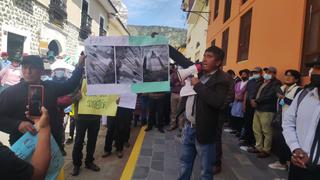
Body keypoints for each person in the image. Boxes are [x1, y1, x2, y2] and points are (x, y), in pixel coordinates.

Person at [0, 55, 85, 153]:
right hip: (23, 145)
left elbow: (70, 85)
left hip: (51, 142)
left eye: (32, 68)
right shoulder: (10, 93)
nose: (28, 71)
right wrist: (17, 124)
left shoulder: (50, 87)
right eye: (25, 67)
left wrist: (79, 66)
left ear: (41, 70)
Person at [178, 46, 230, 180]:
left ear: (218, 62)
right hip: (189, 127)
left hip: (205, 130)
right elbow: (181, 59)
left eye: (209, 56)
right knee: (184, 163)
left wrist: (198, 85)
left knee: (205, 169)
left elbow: (216, 101)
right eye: (204, 56)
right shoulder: (199, 73)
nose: (204, 60)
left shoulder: (223, 79)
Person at [282, 59, 320, 179]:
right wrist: (296, 149)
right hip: (297, 165)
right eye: (315, 68)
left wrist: (315, 160)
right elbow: (288, 122)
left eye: (318, 68)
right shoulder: (303, 95)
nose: (314, 72)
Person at [0, 107, 51, 180]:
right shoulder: (4, 157)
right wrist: (17, 124)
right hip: (21, 147)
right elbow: (37, 175)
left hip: (49, 146)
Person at [268, 70, 301, 171]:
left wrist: (283, 98)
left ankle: (285, 163)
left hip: (290, 121)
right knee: (279, 141)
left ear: (296, 79)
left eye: (290, 76)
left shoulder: (298, 90)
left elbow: (298, 104)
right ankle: (282, 161)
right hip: (279, 118)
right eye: (286, 75)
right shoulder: (282, 88)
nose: (287, 77)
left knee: (286, 142)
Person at [249, 66, 282, 158]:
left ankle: (266, 150)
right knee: (256, 129)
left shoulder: (276, 83)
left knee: (266, 131)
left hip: (267, 109)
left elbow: (270, 96)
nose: (267, 74)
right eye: (266, 72)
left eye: (269, 72)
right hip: (258, 108)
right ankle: (258, 147)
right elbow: (255, 91)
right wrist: (252, 99)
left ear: (274, 74)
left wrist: (256, 101)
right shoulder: (263, 82)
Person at [240, 67, 264, 151]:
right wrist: (244, 103)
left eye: (257, 72)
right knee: (247, 122)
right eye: (254, 72)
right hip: (248, 104)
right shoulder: (251, 81)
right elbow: (246, 92)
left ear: (261, 73)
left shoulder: (263, 82)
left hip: (256, 104)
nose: (255, 74)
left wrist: (256, 101)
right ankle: (247, 140)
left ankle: (253, 142)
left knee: (255, 125)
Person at [230, 69, 250, 137]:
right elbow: (235, 91)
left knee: (241, 117)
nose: (243, 75)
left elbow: (246, 93)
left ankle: (240, 131)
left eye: (245, 74)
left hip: (242, 102)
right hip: (236, 101)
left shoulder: (248, 83)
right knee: (235, 115)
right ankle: (235, 129)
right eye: (242, 74)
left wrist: (241, 98)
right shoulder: (238, 83)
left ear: (247, 75)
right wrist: (236, 96)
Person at [168, 63, 183, 131]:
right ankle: (173, 125)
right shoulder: (173, 74)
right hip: (173, 94)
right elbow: (170, 83)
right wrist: (174, 82)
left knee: (180, 111)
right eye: (177, 66)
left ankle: (181, 126)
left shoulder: (185, 73)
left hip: (182, 94)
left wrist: (180, 83)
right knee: (173, 111)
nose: (178, 67)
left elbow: (187, 83)